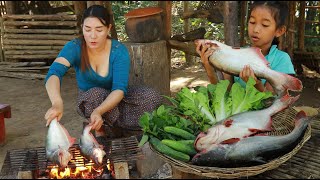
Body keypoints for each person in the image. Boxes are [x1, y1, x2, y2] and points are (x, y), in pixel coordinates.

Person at [44, 5, 163, 142]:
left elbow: (119, 89)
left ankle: (120, 128)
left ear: (109, 29)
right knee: (95, 93)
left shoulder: (118, 51)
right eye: (87, 29)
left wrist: (99, 111)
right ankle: (100, 132)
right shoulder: (74, 47)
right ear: (82, 27)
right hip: (91, 99)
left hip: (116, 97)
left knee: (151, 96)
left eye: (99, 30)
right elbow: (54, 73)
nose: (92, 36)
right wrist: (57, 103)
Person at [196, 1, 296, 94]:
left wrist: (256, 84)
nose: (256, 29)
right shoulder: (236, 54)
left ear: (279, 31)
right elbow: (223, 94)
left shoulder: (282, 59)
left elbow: (271, 102)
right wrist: (209, 68)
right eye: (252, 22)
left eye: (265, 25)